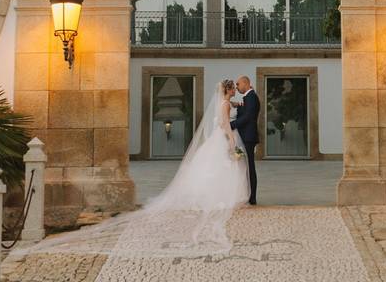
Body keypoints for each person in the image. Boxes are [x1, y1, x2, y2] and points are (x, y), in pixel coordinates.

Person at [13, 78, 249, 259]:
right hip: (222, 137)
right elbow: (226, 125)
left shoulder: (223, 103)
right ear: (228, 90)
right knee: (222, 167)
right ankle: (224, 197)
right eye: (232, 89)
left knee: (210, 169)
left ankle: (210, 195)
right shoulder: (227, 104)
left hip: (215, 139)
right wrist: (230, 141)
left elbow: (221, 117)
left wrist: (232, 116)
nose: (233, 92)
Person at [230, 75, 260, 205]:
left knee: (250, 167)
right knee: (245, 166)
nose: (236, 87)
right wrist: (238, 105)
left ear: (245, 83)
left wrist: (231, 125)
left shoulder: (252, 97)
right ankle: (247, 194)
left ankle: (252, 197)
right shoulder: (248, 97)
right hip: (244, 136)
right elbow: (246, 110)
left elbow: (248, 116)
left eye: (238, 84)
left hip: (248, 137)